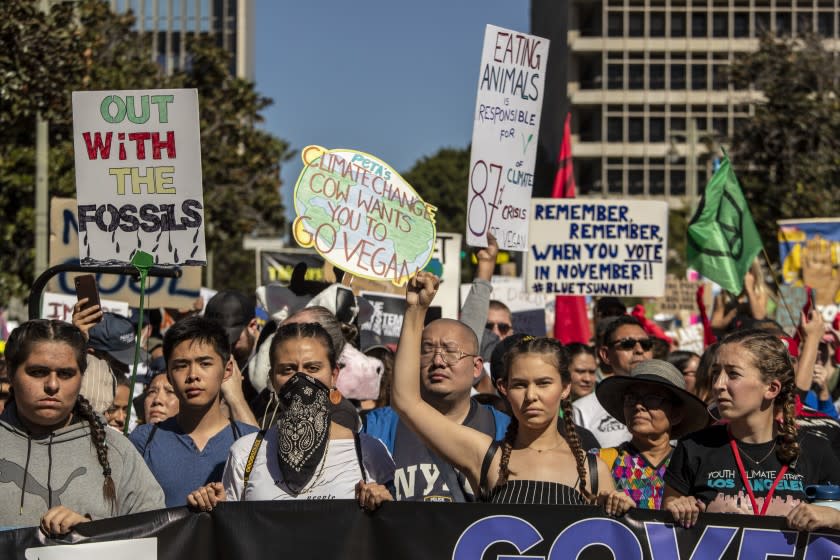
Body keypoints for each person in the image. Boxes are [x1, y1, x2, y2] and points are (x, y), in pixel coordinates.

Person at [390, 273, 616, 505]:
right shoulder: (486, 456)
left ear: (565, 388)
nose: (531, 396)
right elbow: (406, 401)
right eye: (519, 384)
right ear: (504, 389)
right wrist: (416, 312)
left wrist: (621, 510)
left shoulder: (594, 472)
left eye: (543, 383)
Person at [187, 322, 394, 509]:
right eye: (288, 369)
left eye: (313, 368)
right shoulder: (245, 453)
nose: (300, 379)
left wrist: (384, 504)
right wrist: (214, 506)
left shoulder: (369, 453)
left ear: (334, 375)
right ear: (272, 379)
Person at [663, 329, 840, 527]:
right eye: (715, 373)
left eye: (733, 374)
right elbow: (663, 527)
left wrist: (834, 517)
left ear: (771, 388)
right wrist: (678, 507)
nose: (718, 385)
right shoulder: (692, 447)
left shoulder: (815, 450)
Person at [0, 320, 164, 533]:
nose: (52, 385)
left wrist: (91, 533)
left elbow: (154, 535)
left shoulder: (117, 451)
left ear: (81, 376)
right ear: (11, 373)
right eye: (38, 372)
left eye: (65, 374)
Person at [364, 311, 509, 502]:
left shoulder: (504, 429)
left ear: (477, 367)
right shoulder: (379, 426)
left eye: (450, 352)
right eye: (427, 350)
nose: (438, 361)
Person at [129, 316, 258, 507]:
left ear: (227, 370)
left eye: (205, 363)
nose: (193, 376)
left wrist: (229, 507)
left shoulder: (251, 442)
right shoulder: (144, 441)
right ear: (169, 375)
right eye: (181, 366)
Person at [596, 360, 708, 512]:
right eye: (631, 398)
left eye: (652, 398)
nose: (638, 406)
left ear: (676, 414)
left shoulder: (693, 466)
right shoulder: (599, 461)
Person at [573, 315, 653, 447]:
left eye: (646, 344)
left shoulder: (671, 399)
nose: (639, 350)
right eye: (628, 344)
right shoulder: (582, 410)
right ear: (605, 354)